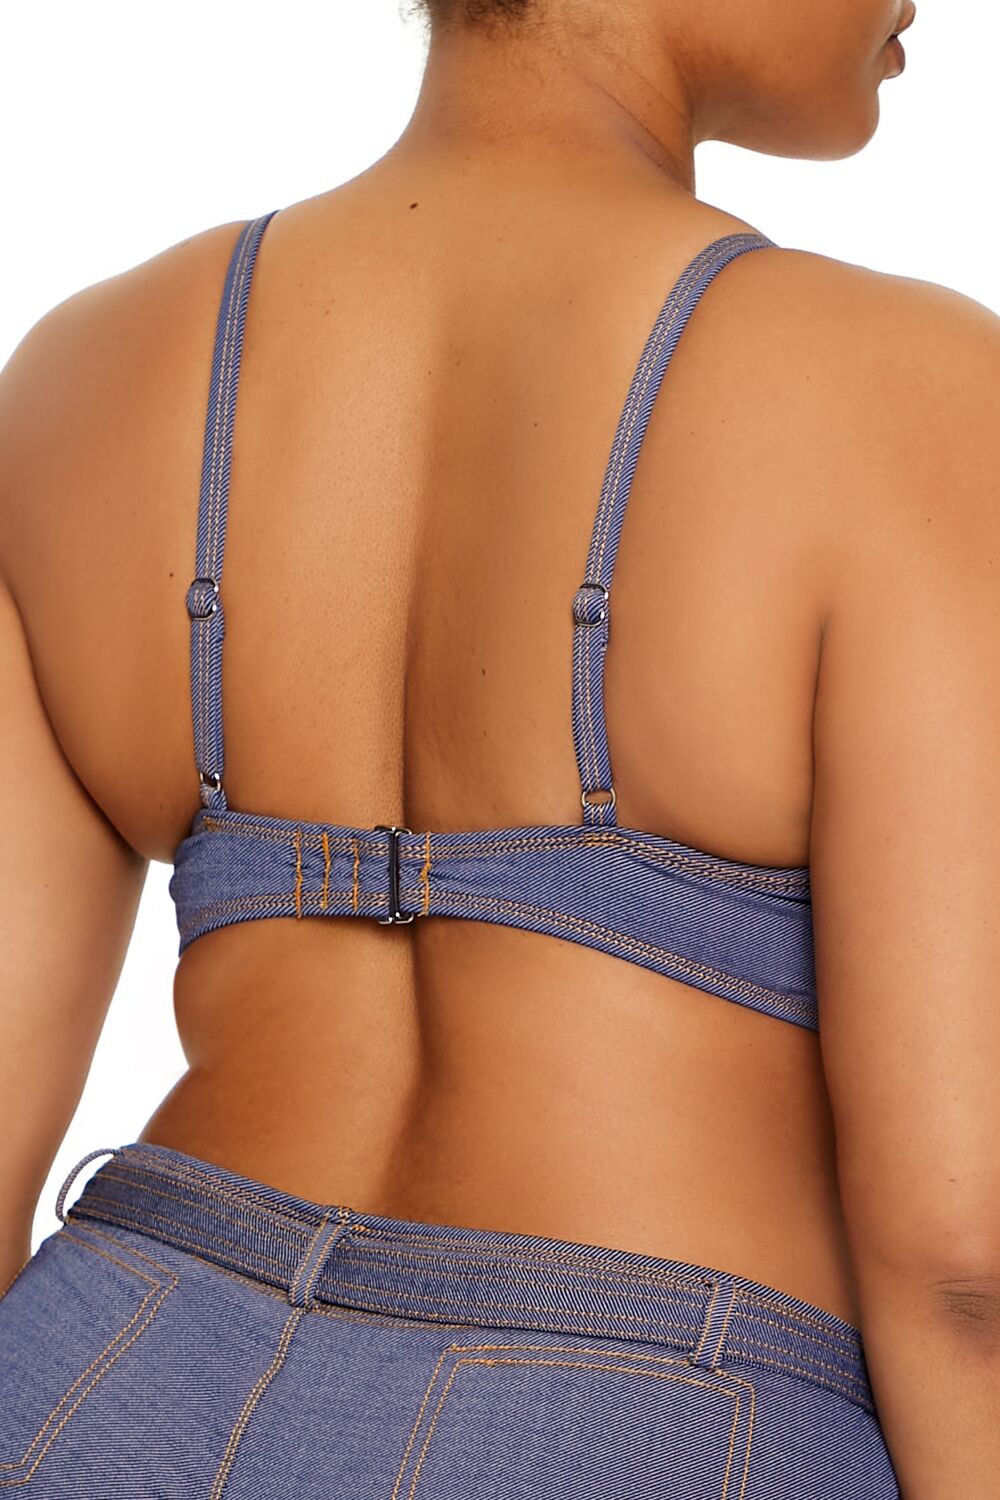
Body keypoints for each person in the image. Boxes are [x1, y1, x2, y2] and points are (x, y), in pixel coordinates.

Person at [1, 0, 997, 1493]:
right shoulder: (912, 391)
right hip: (642, 1431)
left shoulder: (83, 371)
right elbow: (964, 1251)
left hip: (103, 1380)